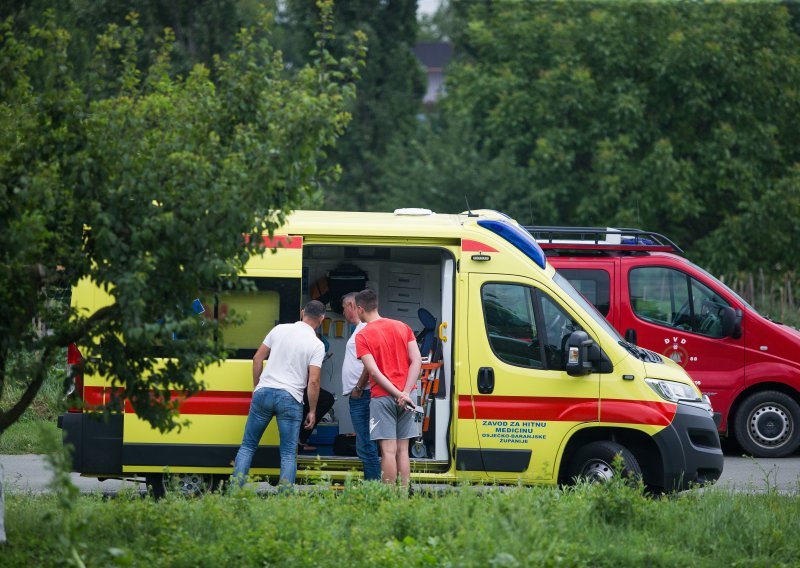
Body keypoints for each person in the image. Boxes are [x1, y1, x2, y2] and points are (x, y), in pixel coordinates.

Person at [231, 300, 326, 487]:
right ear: (321, 319)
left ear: (302, 312)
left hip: (264, 392)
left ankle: (235, 493)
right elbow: (313, 381)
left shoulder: (279, 329)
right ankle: (284, 501)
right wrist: (312, 411)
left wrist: (257, 386)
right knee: (288, 454)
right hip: (290, 398)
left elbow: (257, 358)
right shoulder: (317, 344)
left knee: (247, 447)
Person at [354, 289, 422, 487]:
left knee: (388, 451)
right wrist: (406, 392)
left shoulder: (363, 335)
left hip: (383, 396)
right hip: (408, 396)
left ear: (360, 308)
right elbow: (416, 360)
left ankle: (389, 497)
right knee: (403, 450)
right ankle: (402, 496)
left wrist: (397, 393)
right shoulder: (403, 326)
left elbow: (373, 373)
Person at [341, 292, 381, 480]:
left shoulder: (364, 328)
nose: (343, 312)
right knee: (365, 443)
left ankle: (372, 487)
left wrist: (358, 387)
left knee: (365, 444)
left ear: (352, 305)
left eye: (343, 308)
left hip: (362, 394)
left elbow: (369, 363)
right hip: (361, 394)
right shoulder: (360, 328)